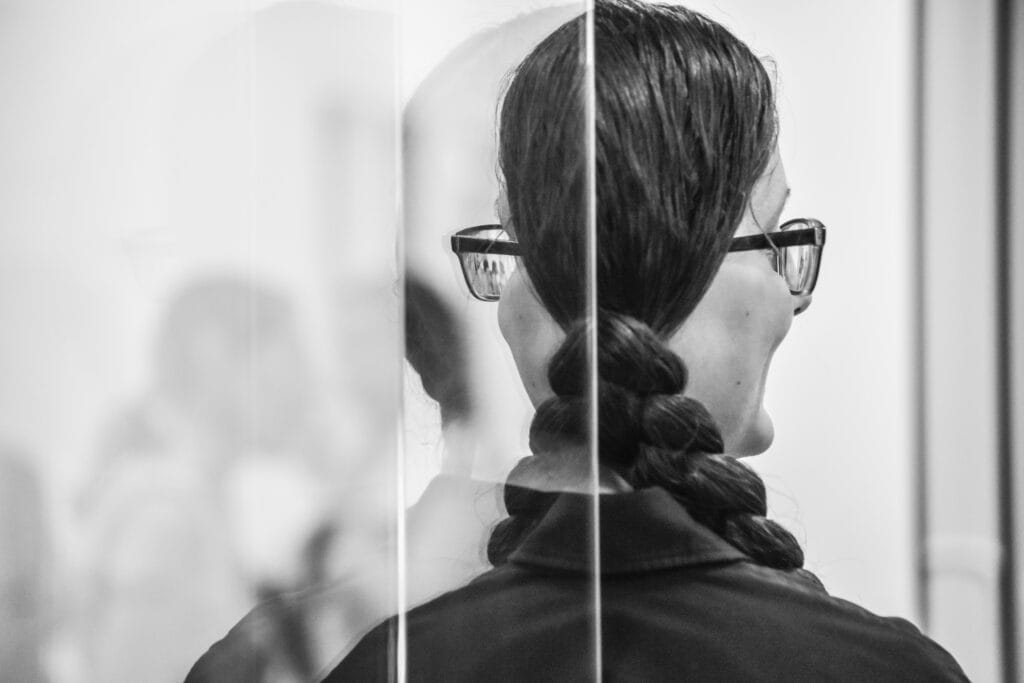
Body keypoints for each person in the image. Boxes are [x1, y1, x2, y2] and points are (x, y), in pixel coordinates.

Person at [324, 1, 968, 681]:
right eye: (776, 238)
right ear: (667, 267)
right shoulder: (881, 670)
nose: (794, 296)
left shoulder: (389, 664)